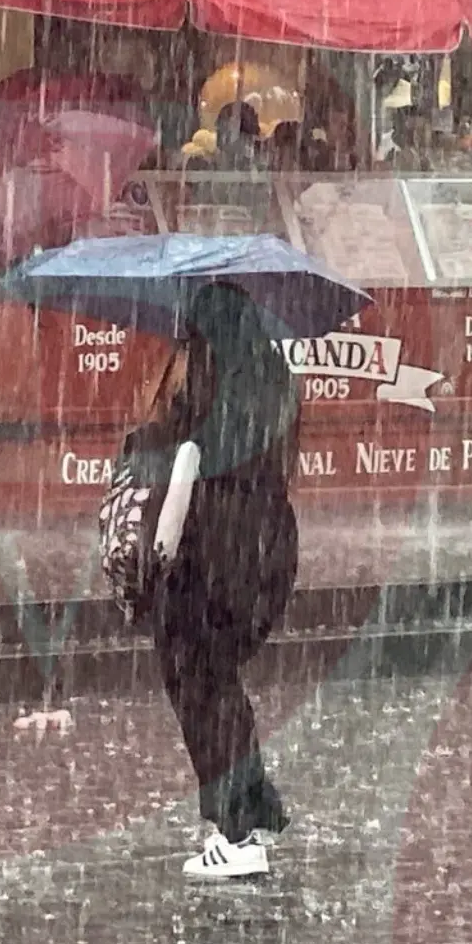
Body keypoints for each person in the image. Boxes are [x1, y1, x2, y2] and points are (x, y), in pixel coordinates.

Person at [125, 281, 300, 879]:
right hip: (266, 546)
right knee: (216, 678)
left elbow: (186, 460)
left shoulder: (204, 382)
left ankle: (237, 830)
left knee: (199, 684)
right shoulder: (272, 378)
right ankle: (248, 802)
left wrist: (157, 433)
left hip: (209, 546)